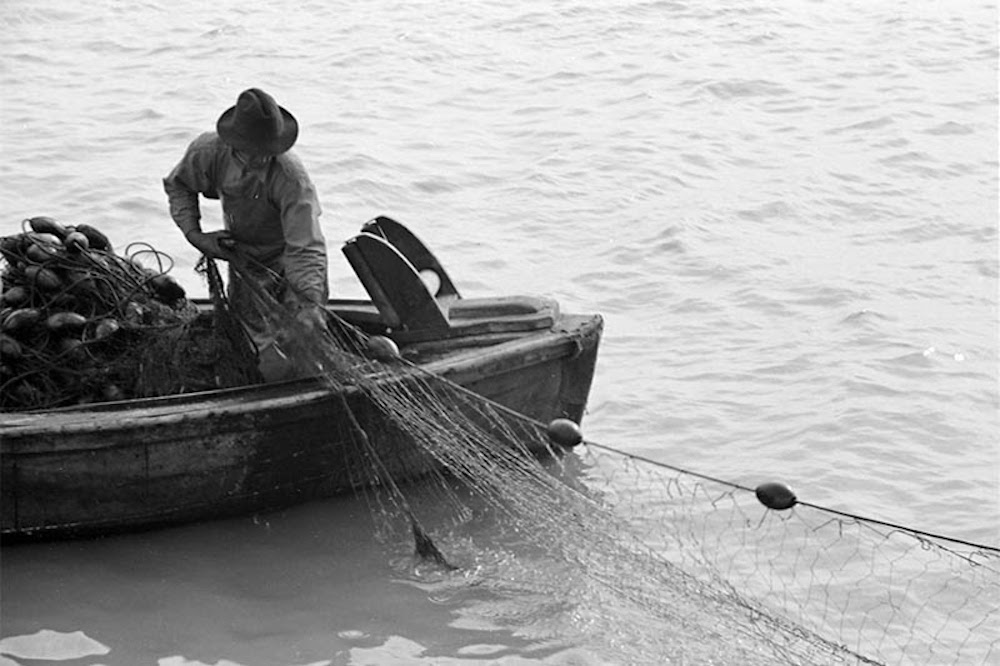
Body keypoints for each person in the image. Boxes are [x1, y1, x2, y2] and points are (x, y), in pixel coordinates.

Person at [163, 87, 330, 381]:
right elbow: (179, 185)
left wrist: (310, 303)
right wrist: (196, 235)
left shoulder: (292, 179)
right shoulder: (208, 153)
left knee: (305, 348)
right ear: (233, 145)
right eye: (251, 154)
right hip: (245, 262)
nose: (260, 161)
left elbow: (305, 248)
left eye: (267, 154)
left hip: (290, 261)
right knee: (260, 356)